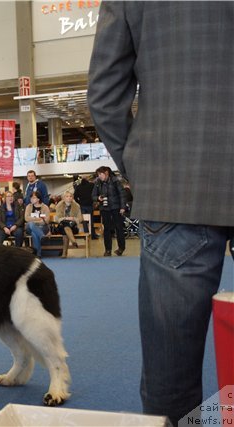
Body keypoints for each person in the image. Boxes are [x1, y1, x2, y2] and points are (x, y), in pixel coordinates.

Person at [88, 3, 234, 425]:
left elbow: (104, 94)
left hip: (175, 184)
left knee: (172, 376)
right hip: (176, 187)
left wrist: (141, 167)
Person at [91, 166, 127, 257]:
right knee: (106, 229)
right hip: (104, 208)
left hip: (116, 207)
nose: (99, 176)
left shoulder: (116, 181)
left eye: (100, 174)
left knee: (119, 228)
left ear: (106, 173)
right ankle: (108, 250)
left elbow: (122, 194)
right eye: (98, 174)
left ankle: (121, 248)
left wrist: (122, 207)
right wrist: (98, 198)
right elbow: (93, 195)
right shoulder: (97, 183)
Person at [54, 191, 83, 258]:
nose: (69, 198)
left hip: (73, 227)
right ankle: (73, 240)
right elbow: (57, 219)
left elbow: (80, 219)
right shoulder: (59, 206)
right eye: (67, 196)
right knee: (65, 225)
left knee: (66, 228)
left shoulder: (76, 206)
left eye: (70, 196)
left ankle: (64, 253)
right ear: (63, 198)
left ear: (72, 197)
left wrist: (73, 218)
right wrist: (66, 218)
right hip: (61, 226)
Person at [24, 191, 50, 257]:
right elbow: (26, 218)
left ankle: (37, 255)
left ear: (38, 199)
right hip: (30, 227)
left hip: (42, 227)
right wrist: (39, 218)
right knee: (31, 224)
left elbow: (46, 221)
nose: (31, 199)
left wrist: (33, 218)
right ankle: (41, 236)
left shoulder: (45, 207)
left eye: (34, 198)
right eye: (31, 198)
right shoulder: (28, 207)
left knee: (34, 233)